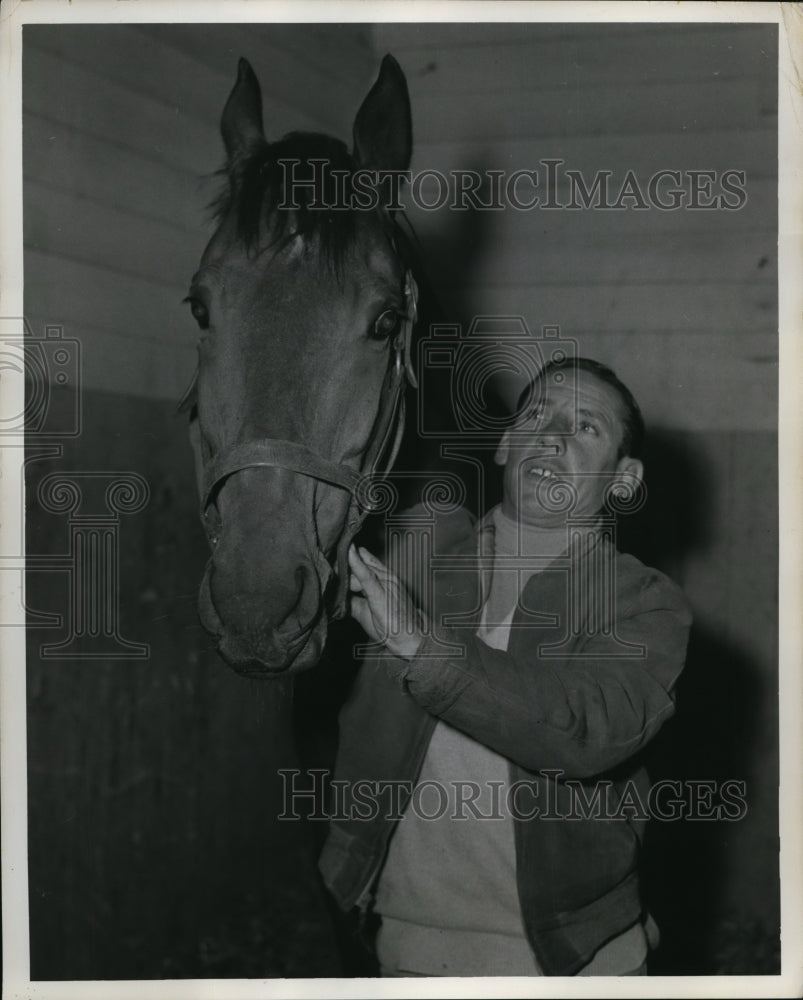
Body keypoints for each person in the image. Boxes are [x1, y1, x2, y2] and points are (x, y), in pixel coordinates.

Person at [318, 357, 692, 977]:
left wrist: (421, 647)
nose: (551, 435)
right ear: (503, 444)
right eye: (537, 414)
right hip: (405, 952)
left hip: (571, 963)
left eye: (586, 427)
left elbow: (582, 732)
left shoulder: (645, 603)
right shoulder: (416, 565)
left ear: (624, 480)